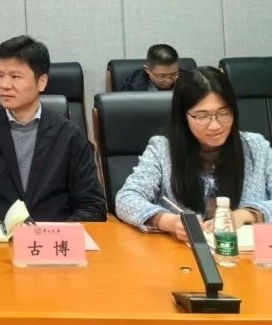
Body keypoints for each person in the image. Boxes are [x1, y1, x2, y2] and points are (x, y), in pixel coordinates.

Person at [0, 36, 107, 222]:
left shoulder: (69, 135)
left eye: (15, 77)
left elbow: (92, 205)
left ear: (42, 82)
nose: (4, 85)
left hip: (54, 236)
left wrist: (60, 233)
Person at [116, 67, 271, 241]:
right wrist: (169, 222)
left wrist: (247, 214)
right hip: (182, 253)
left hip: (247, 253)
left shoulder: (256, 147)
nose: (215, 125)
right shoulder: (162, 149)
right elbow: (126, 199)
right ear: (184, 116)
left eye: (223, 113)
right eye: (202, 116)